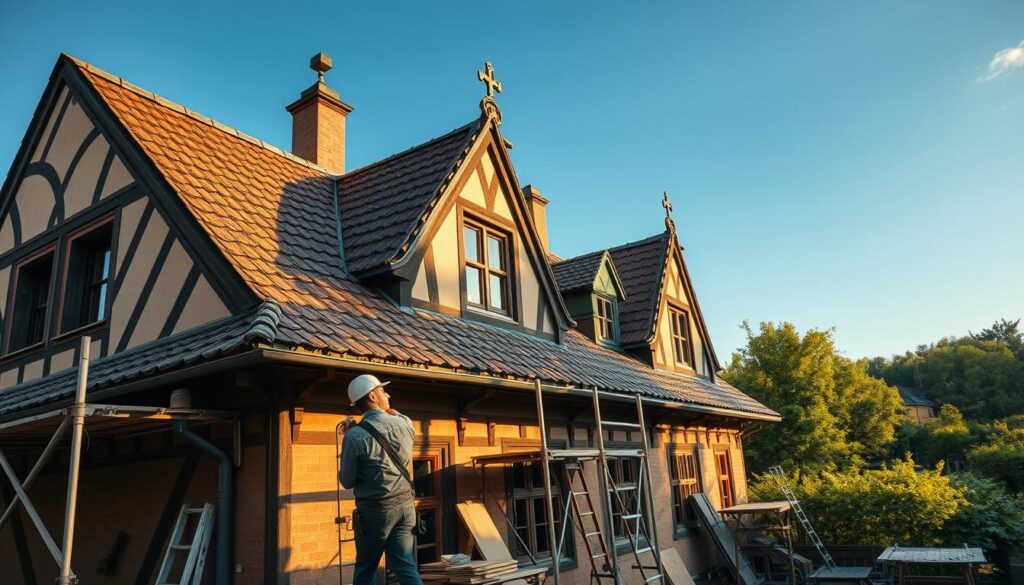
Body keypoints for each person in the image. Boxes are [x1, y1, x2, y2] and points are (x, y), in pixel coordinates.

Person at [339, 374, 423, 585]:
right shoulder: (405, 424)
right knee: (405, 567)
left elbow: (347, 481)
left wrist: (350, 434)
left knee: (366, 570)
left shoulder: (355, 436)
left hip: (375, 513)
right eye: (383, 391)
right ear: (373, 396)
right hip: (405, 506)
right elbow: (400, 417)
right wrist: (390, 412)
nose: (388, 394)